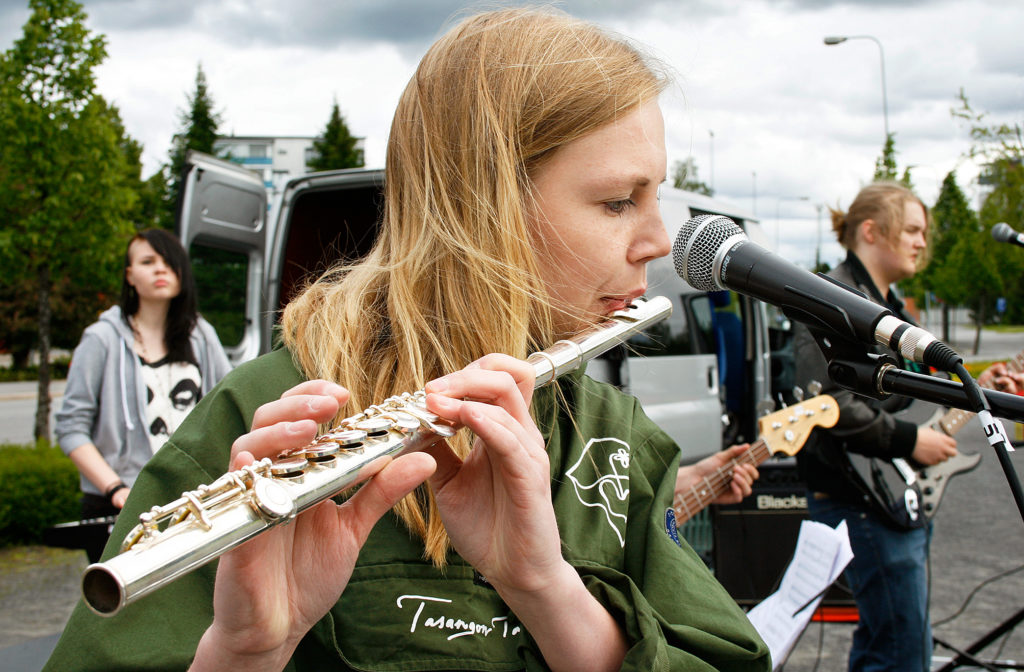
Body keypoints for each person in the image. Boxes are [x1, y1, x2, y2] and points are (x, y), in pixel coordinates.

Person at [44, 9, 770, 671]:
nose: (654, 241)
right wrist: (244, 651)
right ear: (484, 203)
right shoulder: (266, 420)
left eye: (655, 198)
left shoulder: (613, 436)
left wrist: (549, 591)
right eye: (619, 200)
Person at [792, 182, 957, 672]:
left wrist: (977, 385)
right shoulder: (829, 298)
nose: (921, 241)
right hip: (856, 494)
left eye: (922, 231)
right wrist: (910, 441)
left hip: (885, 492)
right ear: (870, 230)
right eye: (911, 229)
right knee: (904, 652)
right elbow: (828, 400)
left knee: (887, 641)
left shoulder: (893, 308)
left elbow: (897, 393)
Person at [54, 228, 232, 562]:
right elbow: (70, 428)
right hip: (119, 504)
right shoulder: (101, 339)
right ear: (130, 276)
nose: (160, 269)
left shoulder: (201, 335)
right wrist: (115, 489)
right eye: (148, 261)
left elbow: (227, 405)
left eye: (169, 261)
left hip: (189, 500)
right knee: (125, 611)